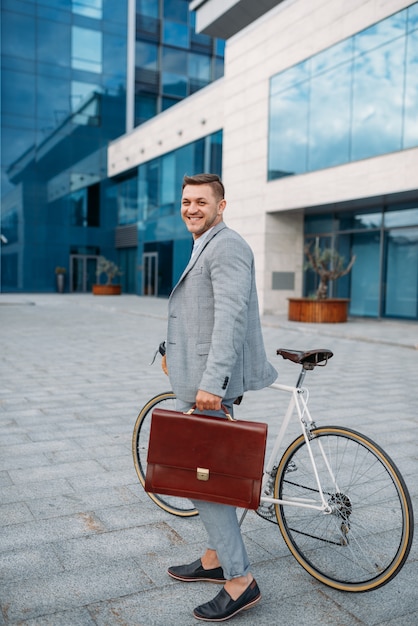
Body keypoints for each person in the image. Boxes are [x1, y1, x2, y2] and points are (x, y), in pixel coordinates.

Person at [164, 173, 278, 622]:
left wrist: (212, 382)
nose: (192, 208)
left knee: (206, 482)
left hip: (211, 385)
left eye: (201, 202)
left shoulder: (227, 245)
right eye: (186, 201)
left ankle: (239, 581)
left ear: (221, 205)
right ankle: (214, 560)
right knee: (204, 478)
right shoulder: (205, 242)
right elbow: (199, 309)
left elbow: (230, 315)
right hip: (199, 374)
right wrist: (168, 350)